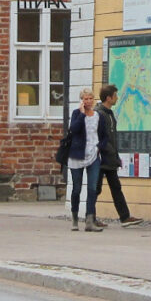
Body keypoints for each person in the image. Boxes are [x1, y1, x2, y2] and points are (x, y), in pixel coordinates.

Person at [57, 88, 105, 231]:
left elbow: (104, 135)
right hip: (77, 155)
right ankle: (75, 218)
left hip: (93, 155)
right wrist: (82, 114)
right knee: (76, 189)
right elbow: (73, 129)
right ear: (82, 101)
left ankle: (90, 221)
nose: (88, 101)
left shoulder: (98, 116)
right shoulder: (77, 114)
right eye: (85, 99)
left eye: (90, 98)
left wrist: (99, 148)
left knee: (92, 188)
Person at [97, 85, 141, 226]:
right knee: (95, 189)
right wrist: (110, 153)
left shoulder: (109, 113)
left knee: (116, 187)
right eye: (115, 95)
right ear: (108, 98)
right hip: (100, 158)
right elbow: (101, 138)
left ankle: (125, 217)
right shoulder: (100, 114)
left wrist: (115, 156)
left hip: (110, 158)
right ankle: (90, 217)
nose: (117, 98)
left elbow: (111, 137)